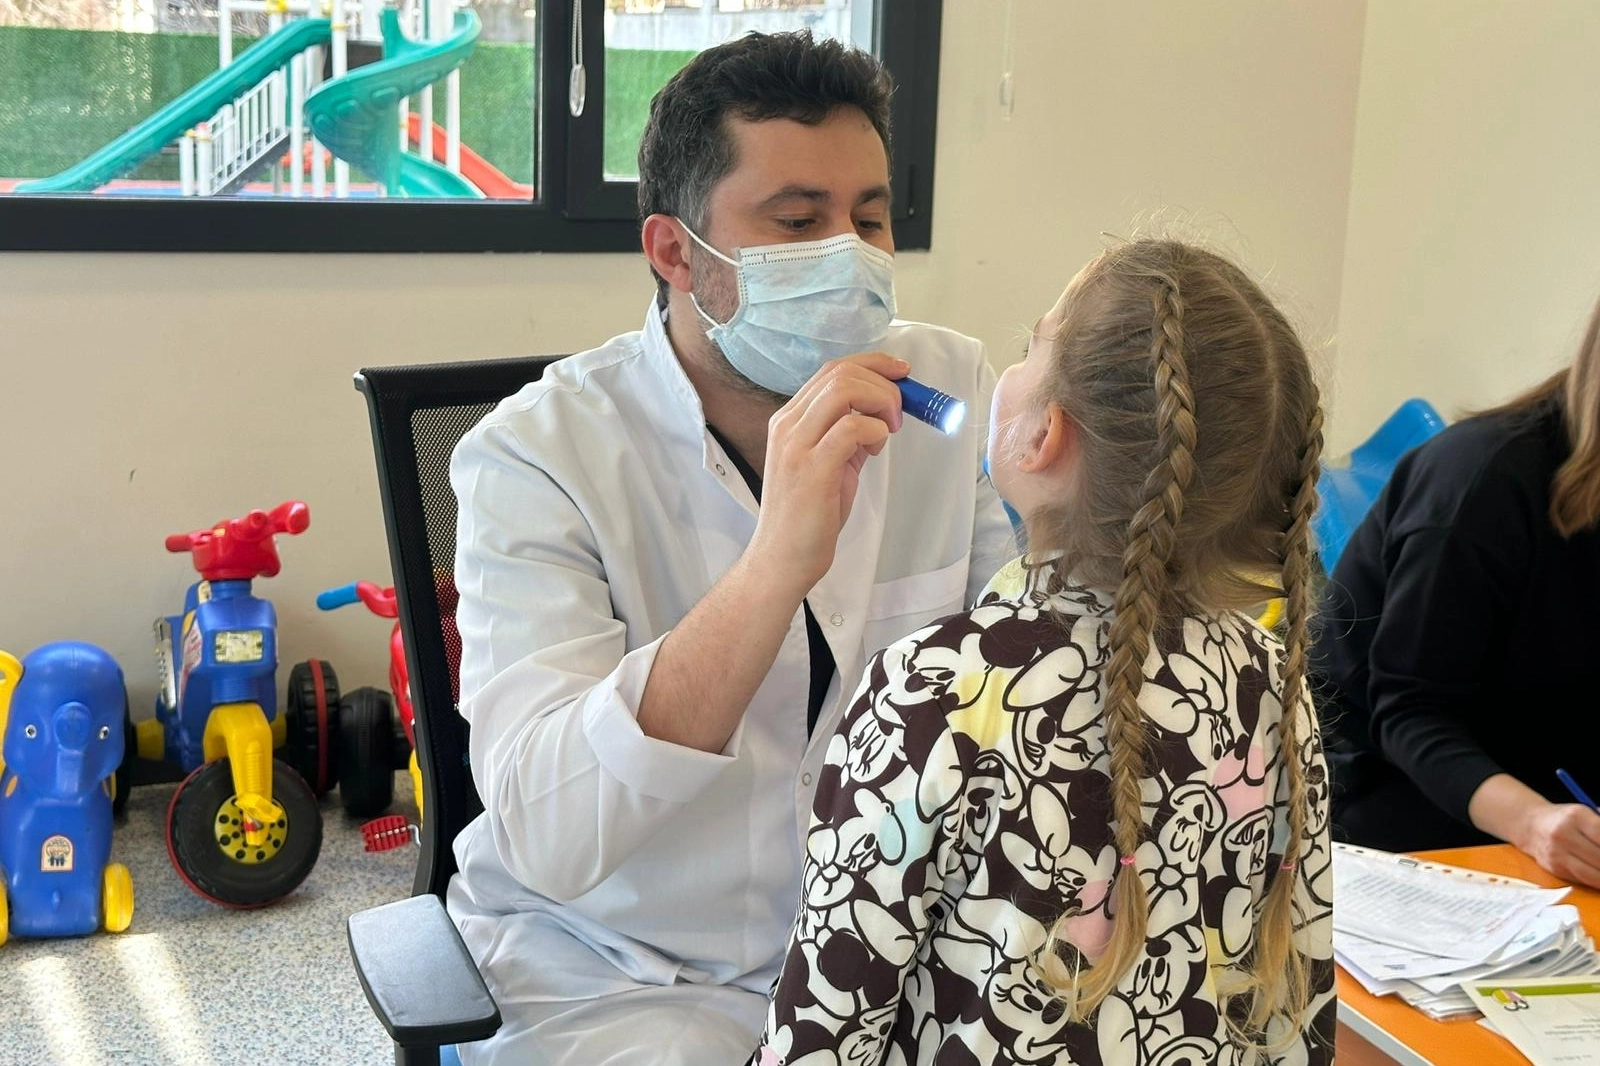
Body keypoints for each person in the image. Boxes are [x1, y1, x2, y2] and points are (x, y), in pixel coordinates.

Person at [444, 30, 1016, 1066]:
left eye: (870, 219)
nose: (849, 255)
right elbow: (551, 832)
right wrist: (772, 567)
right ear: (675, 253)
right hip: (624, 972)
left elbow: (1024, 677)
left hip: (896, 951)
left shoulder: (948, 398)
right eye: (798, 222)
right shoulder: (536, 457)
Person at [750, 239, 1336, 1066]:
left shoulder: (933, 691)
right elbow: (1300, 1008)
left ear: (1045, 436)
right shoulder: (1274, 683)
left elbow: (822, 1035)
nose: (1012, 367)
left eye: (1032, 347)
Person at [1313, 294, 1600, 885]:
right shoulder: (1482, 480)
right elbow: (1411, 712)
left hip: (1546, 802)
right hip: (1388, 793)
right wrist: (1534, 822)